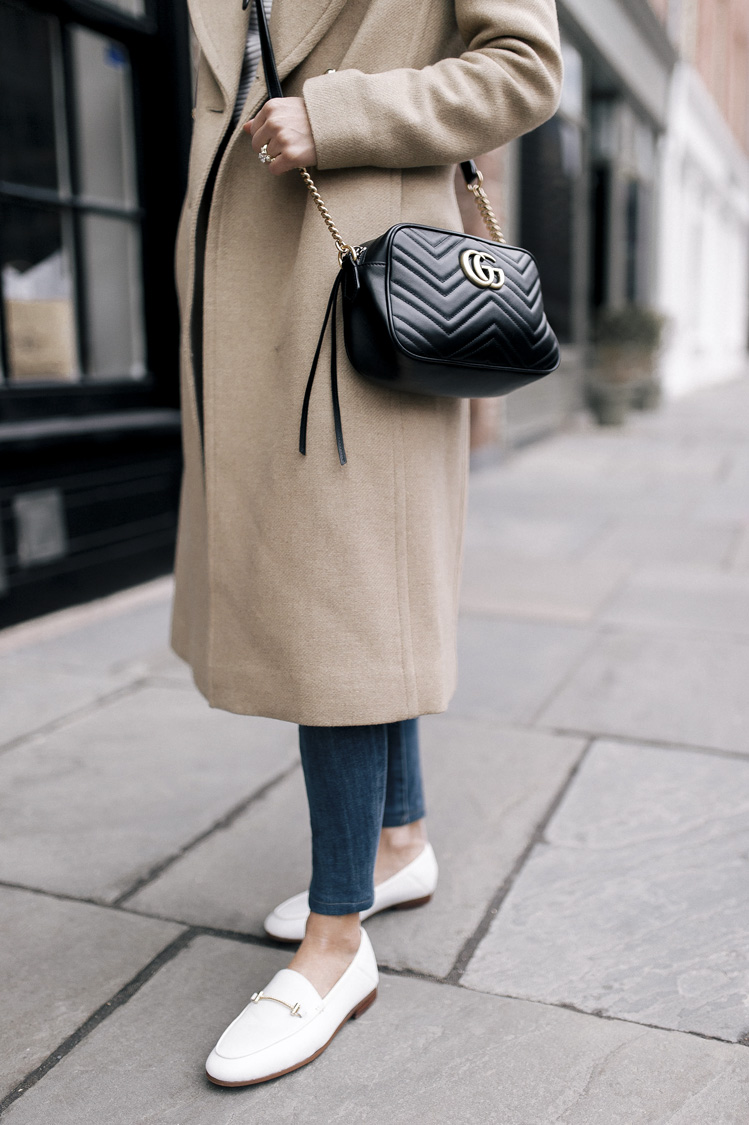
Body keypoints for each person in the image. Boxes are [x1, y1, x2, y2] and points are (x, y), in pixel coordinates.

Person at [172, 0, 562, 1088]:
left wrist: (339, 116)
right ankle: (398, 840)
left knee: (336, 599)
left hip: (358, 280)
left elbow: (525, 67)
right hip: (251, 285)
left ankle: (337, 945)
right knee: (354, 585)